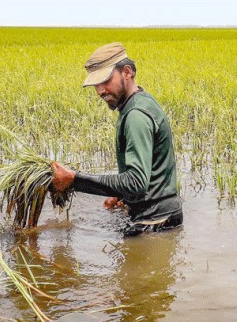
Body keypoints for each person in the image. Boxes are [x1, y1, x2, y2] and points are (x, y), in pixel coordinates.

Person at [50, 42, 183, 235]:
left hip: (155, 222)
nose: (100, 90)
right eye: (96, 84)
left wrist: (74, 180)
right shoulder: (142, 100)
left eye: (105, 81)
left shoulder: (136, 116)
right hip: (163, 215)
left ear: (127, 72)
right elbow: (149, 173)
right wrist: (121, 194)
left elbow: (136, 183)